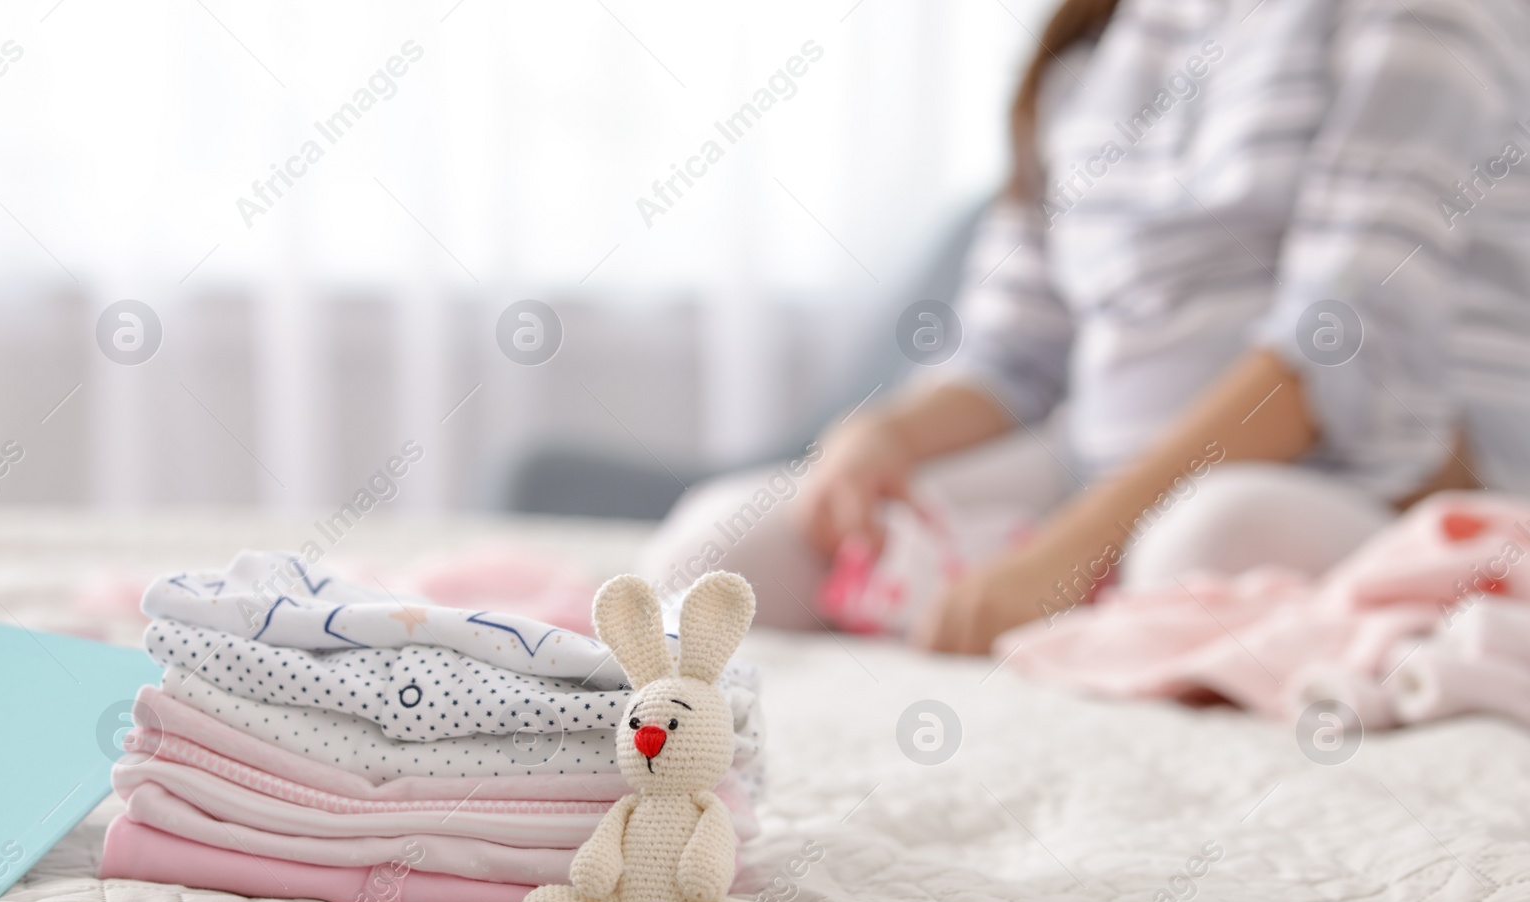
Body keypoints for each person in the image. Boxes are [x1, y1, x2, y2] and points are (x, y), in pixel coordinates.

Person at [643, 0, 1530, 654]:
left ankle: (1110, 588)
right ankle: (1107, 594)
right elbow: (1012, 349)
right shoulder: (1096, 52)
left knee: (1204, 542)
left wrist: (1072, 551)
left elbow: (1339, 341)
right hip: (1097, 468)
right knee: (715, 552)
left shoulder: (1420, 17)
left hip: (1371, 474)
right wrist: (879, 435)